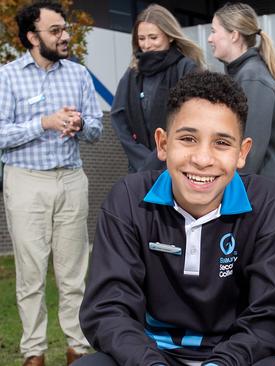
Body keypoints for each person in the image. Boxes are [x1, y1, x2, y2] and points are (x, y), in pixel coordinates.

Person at [77, 71, 275, 366]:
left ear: (242, 152)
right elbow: (108, 309)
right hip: (155, 357)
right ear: (163, 144)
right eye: (188, 139)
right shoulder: (128, 200)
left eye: (222, 143)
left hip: (242, 357)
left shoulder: (268, 204)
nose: (202, 158)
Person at [0, 2, 103, 365]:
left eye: (65, 29)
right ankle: (33, 353)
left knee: (74, 273)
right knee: (30, 276)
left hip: (71, 180)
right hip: (26, 182)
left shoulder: (78, 74)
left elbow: (96, 127)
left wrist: (80, 126)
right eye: (55, 30)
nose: (65, 36)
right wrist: (42, 123)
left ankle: (77, 349)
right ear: (32, 36)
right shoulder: (7, 77)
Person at [208, 2, 275, 194]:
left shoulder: (253, 80)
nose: (210, 38)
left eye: (214, 31)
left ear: (234, 35)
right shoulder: (244, 75)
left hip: (256, 200)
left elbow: (249, 154)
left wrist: (222, 196)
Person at [111, 4, 205, 173]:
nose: (147, 45)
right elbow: (119, 119)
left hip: (179, 167)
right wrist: (144, 160)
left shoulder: (186, 69)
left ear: (169, 36)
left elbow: (192, 118)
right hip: (139, 169)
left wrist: (159, 157)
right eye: (141, 38)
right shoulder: (132, 74)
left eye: (153, 37)